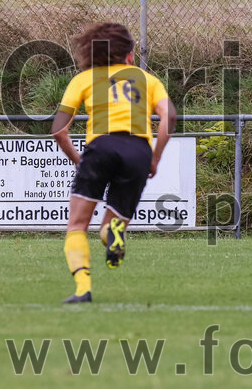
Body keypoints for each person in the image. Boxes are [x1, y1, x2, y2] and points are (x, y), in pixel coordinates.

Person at [51, 23, 175, 304]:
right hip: (138, 151)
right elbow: (170, 117)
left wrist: (78, 160)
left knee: (77, 226)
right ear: (129, 56)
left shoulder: (84, 79)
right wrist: (154, 158)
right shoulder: (147, 80)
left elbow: (58, 130)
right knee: (111, 225)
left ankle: (83, 289)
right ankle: (112, 234)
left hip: (101, 147)